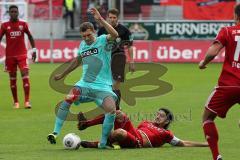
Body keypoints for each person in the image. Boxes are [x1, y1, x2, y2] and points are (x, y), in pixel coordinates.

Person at [47, 8, 119, 149]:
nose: (86, 39)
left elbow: (115, 34)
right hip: (84, 84)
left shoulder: (103, 40)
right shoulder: (82, 45)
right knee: (68, 98)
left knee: (111, 111)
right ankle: (55, 133)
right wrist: (62, 74)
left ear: (94, 32)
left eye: (88, 35)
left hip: (103, 86)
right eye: (83, 36)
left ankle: (103, 143)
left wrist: (100, 19)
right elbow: (77, 61)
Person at [77, 8, 135, 129]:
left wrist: (131, 60)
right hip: (105, 61)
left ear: (117, 18)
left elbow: (129, 46)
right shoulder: (103, 30)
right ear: (107, 17)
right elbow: (95, 45)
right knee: (107, 88)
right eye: (110, 17)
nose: (112, 19)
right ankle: (113, 112)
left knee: (115, 87)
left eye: (114, 17)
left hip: (119, 58)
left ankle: (115, 110)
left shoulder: (124, 30)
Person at [198, 4, 240, 160]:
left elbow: (214, 51)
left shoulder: (227, 31)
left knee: (207, 118)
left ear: (236, 16)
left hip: (228, 85)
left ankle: (216, 156)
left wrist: (203, 63)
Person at [80, 108, 208, 149]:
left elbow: (183, 143)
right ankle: (86, 123)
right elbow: (130, 130)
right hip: (133, 133)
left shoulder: (166, 134)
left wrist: (205, 144)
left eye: (161, 116)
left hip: (137, 142)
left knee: (119, 132)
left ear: (167, 121)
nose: (157, 117)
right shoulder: (146, 122)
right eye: (157, 114)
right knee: (117, 113)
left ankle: (96, 143)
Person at [0, 5, 36, 109]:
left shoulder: (23, 24)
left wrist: (34, 50)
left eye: (15, 11)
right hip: (10, 56)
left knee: (25, 75)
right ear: (9, 13)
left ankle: (27, 101)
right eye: (12, 12)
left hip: (22, 55)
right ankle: (16, 102)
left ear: (18, 12)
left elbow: (30, 36)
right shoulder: (4, 26)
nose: (14, 13)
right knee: (13, 79)